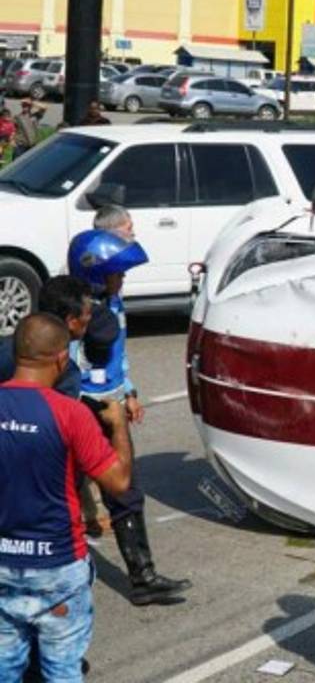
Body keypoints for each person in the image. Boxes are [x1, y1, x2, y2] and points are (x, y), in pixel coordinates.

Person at [0, 313, 133, 682]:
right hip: (57, 564)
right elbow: (119, 481)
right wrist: (118, 425)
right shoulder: (70, 414)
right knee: (61, 671)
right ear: (61, 358)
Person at [65, 227, 189, 606]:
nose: (123, 279)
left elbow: (119, 358)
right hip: (88, 408)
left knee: (127, 494)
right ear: (96, 276)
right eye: (117, 273)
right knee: (65, 492)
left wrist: (129, 391)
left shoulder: (114, 305)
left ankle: (143, 576)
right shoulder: (80, 313)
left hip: (112, 404)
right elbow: (72, 365)